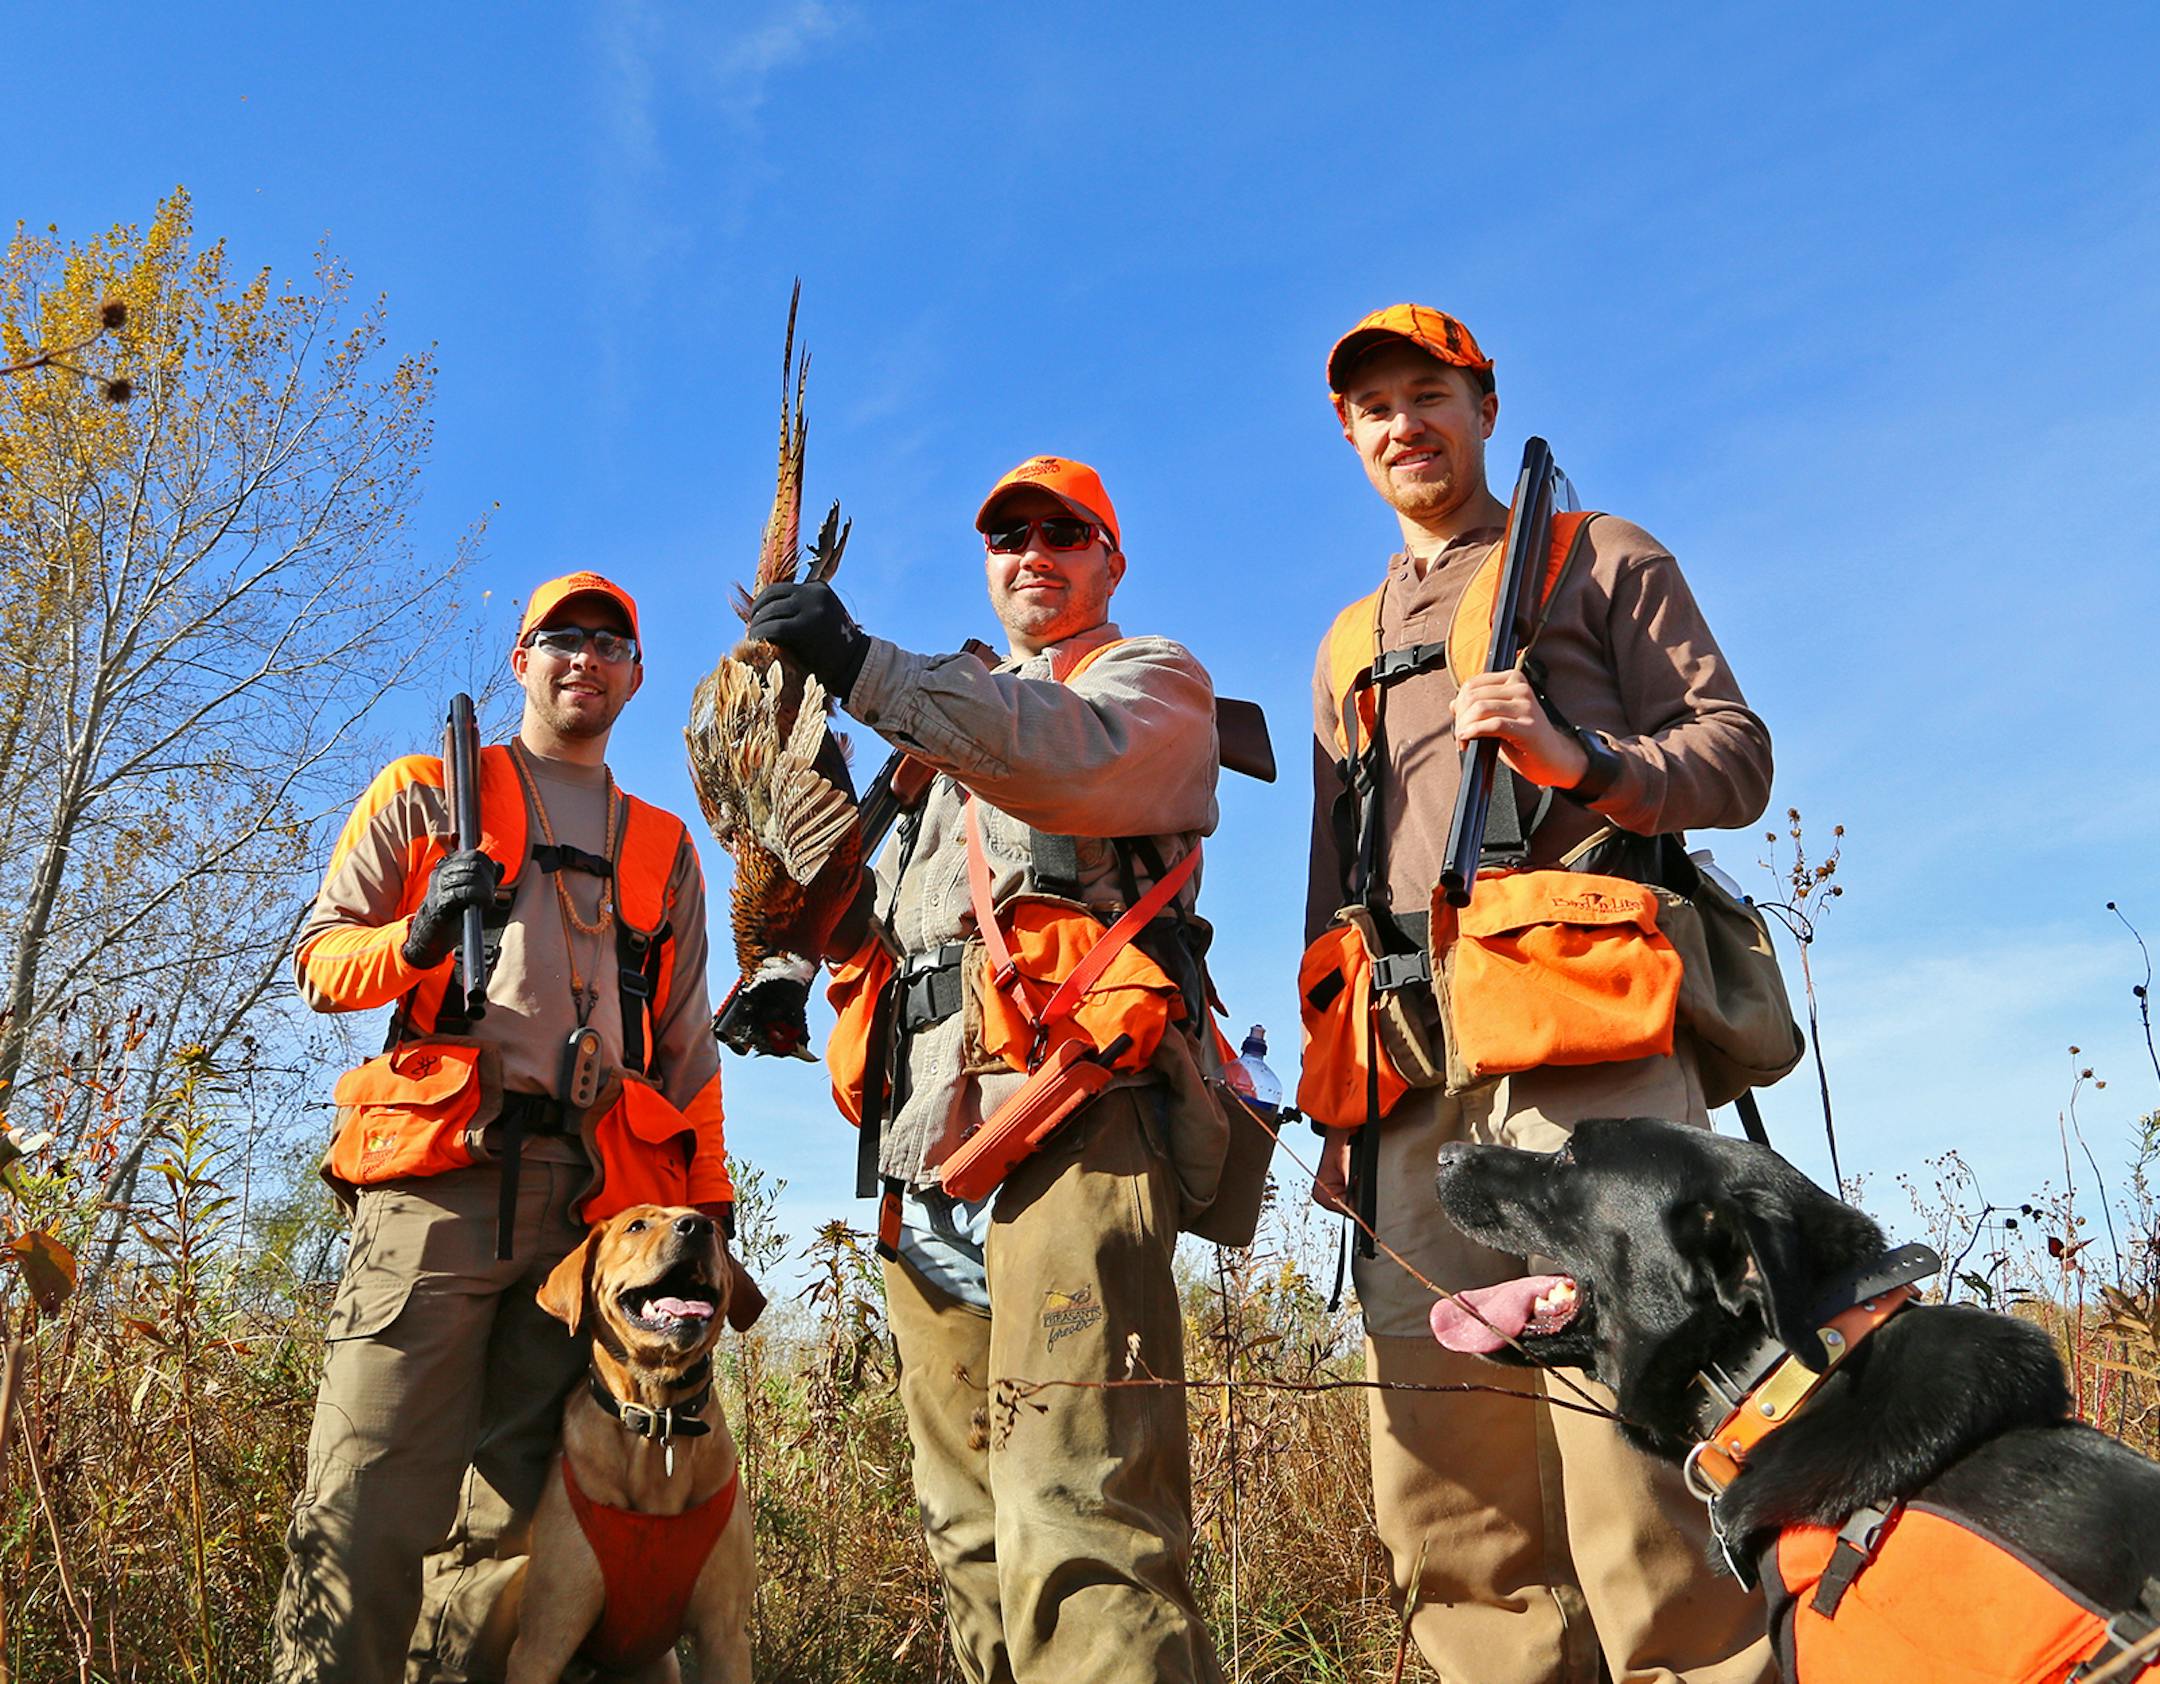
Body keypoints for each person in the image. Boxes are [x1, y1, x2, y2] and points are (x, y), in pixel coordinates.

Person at [1306, 305, 1777, 1684]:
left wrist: (1580, 758)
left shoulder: (1596, 554)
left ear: (1485, 403)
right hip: (1407, 1063)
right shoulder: (1344, 644)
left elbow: (1735, 759)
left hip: (1585, 1037)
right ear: (1349, 433)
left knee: (1637, 1428)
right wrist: (1338, 1109)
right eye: (1375, 405)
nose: (1405, 423)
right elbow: (1329, 886)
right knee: (1443, 1466)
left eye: (1430, 392)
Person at [747, 455, 1229, 1684]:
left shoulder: (1149, 683)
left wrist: (866, 668)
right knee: (966, 1529)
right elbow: (873, 912)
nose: (1034, 553)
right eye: (1009, 535)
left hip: (1068, 1120)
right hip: (922, 1154)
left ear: (1110, 559)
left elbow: (1053, 751)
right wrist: (779, 965)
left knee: (1081, 1507)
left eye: (1065, 533)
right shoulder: (928, 744)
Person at [273, 571, 738, 1684]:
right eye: (561, 638)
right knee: (368, 1493)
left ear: (635, 676)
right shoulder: (431, 790)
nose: (586, 657)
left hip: (591, 1217)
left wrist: (707, 1216)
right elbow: (319, 962)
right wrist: (420, 933)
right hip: (438, 1191)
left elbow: (686, 1051)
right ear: (520, 661)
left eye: (611, 642)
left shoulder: (666, 848)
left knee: (516, 1522)